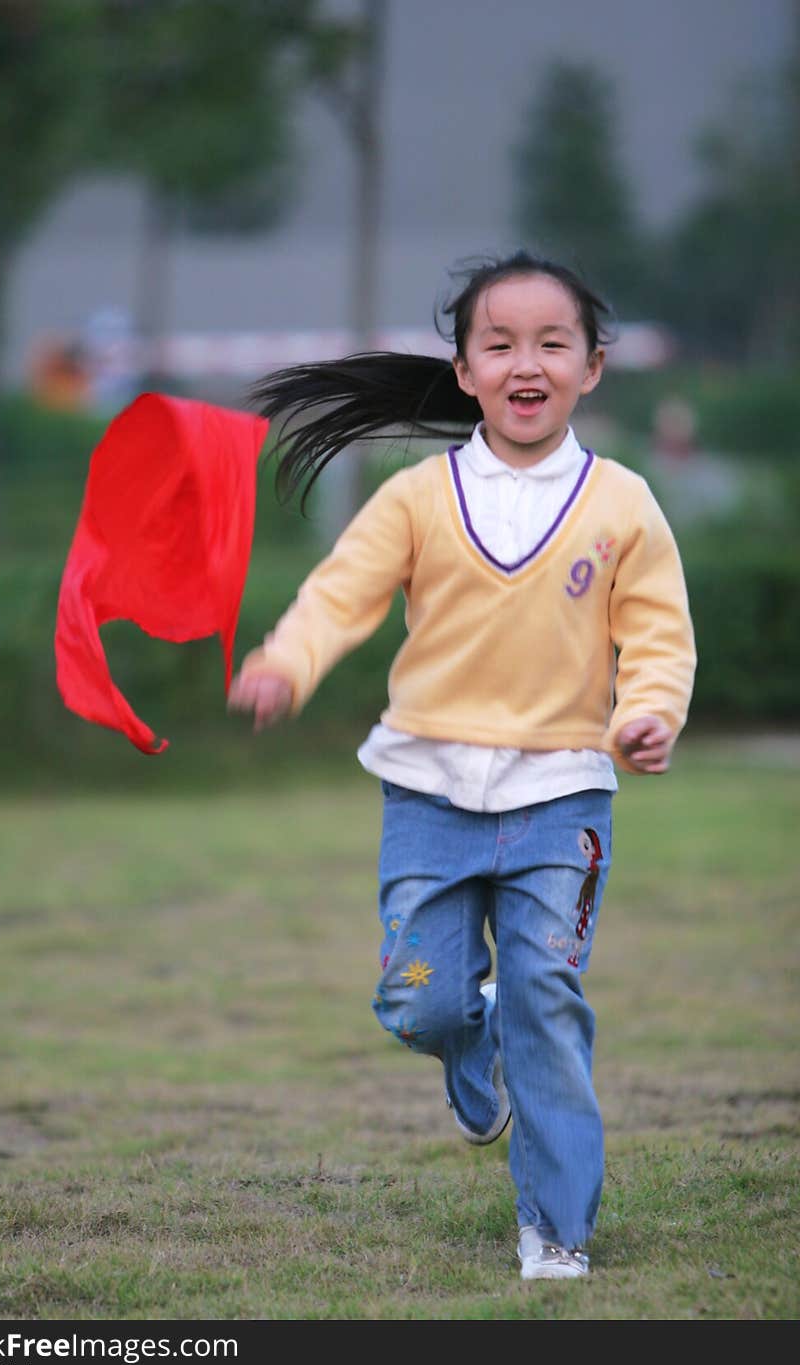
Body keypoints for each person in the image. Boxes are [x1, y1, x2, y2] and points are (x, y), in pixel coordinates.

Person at [227, 251, 696, 1280]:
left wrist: (651, 711)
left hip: (560, 798)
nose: (525, 362)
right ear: (466, 369)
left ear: (592, 366)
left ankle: (557, 1228)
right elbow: (338, 595)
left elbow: (659, 637)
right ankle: (465, 1048)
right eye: (500, 343)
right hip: (428, 797)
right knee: (422, 999)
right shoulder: (416, 498)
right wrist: (283, 663)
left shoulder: (622, 504)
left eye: (550, 343)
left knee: (546, 998)